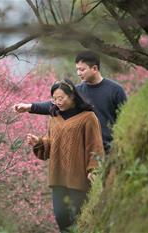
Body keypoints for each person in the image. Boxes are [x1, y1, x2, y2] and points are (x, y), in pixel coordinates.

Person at [27, 79, 104, 232]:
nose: (57, 102)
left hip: (79, 177)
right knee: (61, 217)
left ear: (72, 96)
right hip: (58, 177)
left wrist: (93, 169)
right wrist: (39, 142)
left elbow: (94, 146)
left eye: (61, 98)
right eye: (54, 99)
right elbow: (52, 143)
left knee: (79, 218)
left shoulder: (88, 117)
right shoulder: (54, 118)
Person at [15, 51, 127, 153]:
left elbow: (127, 119)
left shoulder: (115, 90)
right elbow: (56, 104)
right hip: (85, 151)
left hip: (111, 150)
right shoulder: (77, 92)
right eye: (77, 69)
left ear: (94, 68)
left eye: (82, 69)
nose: (78, 73)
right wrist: (30, 107)